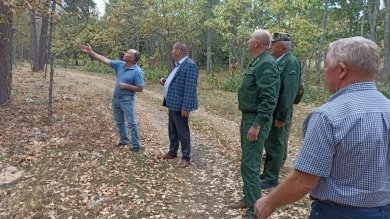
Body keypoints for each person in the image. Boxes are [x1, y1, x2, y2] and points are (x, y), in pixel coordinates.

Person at [254, 36, 390, 219]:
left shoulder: (328, 116)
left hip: (338, 213)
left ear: (341, 70)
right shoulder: (387, 108)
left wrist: (268, 202)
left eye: (326, 66)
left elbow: (303, 181)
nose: (325, 73)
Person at [229, 29, 279, 219]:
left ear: (257, 42)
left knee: (250, 164)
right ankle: (249, 199)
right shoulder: (258, 62)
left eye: (251, 39)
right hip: (249, 117)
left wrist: (257, 124)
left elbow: (269, 99)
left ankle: (255, 210)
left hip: (256, 119)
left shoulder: (267, 64)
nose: (248, 41)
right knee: (247, 162)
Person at [79, 44, 144, 152]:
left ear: (132, 58)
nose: (125, 53)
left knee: (131, 122)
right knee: (119, 122)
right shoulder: (120, 65)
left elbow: (140, 88)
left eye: (128, 53)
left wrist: (126, 86)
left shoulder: (137, 71)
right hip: (116, 99)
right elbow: (104, 60)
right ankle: (124, 141)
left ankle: (136, 145)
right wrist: (91, 52)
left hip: (127, 100)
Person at [260, 32, 301, 190]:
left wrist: (282, 116)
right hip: (272, 111)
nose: (271, 46)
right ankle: (266, 173)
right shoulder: (277, 61)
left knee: (276, 145)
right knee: (270, 143)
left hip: (279, 112)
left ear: (282, 47)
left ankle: (272, 178)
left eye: (274, 44)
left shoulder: (291, 62)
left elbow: (289, 92)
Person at [159, 42, 199, 168]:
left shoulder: (190, 65)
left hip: (180, 105)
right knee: (172, 129)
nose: (171, 52)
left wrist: (185, 107)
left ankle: (186, 157)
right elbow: (177, 81)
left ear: (178, 51)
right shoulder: (178, 65)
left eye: (172, 49)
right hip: (172, 102)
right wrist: (166, 81)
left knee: (182, 131)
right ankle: (172, 152)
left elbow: (190, 88)